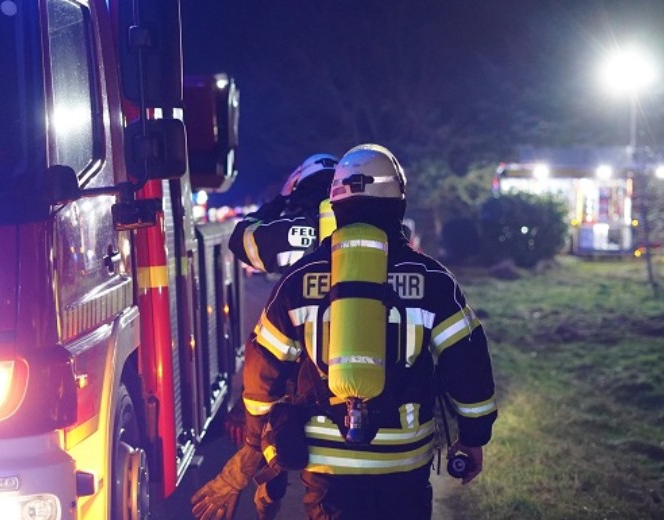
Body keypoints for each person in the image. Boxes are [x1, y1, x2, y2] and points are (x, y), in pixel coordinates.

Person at [195, 144, 497, 520]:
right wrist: (473, 438)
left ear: (335, 203)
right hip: (404, 460)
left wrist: (256, 442)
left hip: (327, 466)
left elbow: (263, 372)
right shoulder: (431, 279)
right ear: (398, 201)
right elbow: (467, 364)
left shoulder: (300, 278)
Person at [205, 153, 338, 520]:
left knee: (270, 419)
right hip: (351, 364)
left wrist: (277, 204)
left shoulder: (297, 225)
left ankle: (269, 488)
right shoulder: (364, 229)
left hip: (298, 359)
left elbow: (241, 239)